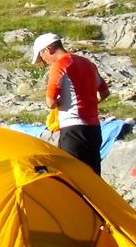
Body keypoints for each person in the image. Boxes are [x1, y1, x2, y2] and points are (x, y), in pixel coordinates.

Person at [31, 33, 110, 174]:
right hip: (94, 128)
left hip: (73, 129)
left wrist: (61, 103)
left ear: (48, 50)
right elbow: (104, 92)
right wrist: (89, 103)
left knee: (73, 177)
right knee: (92, 176)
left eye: (42, 58)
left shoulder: (59, 65)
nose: (45, 62)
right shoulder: (88, 63)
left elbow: (50, 102)